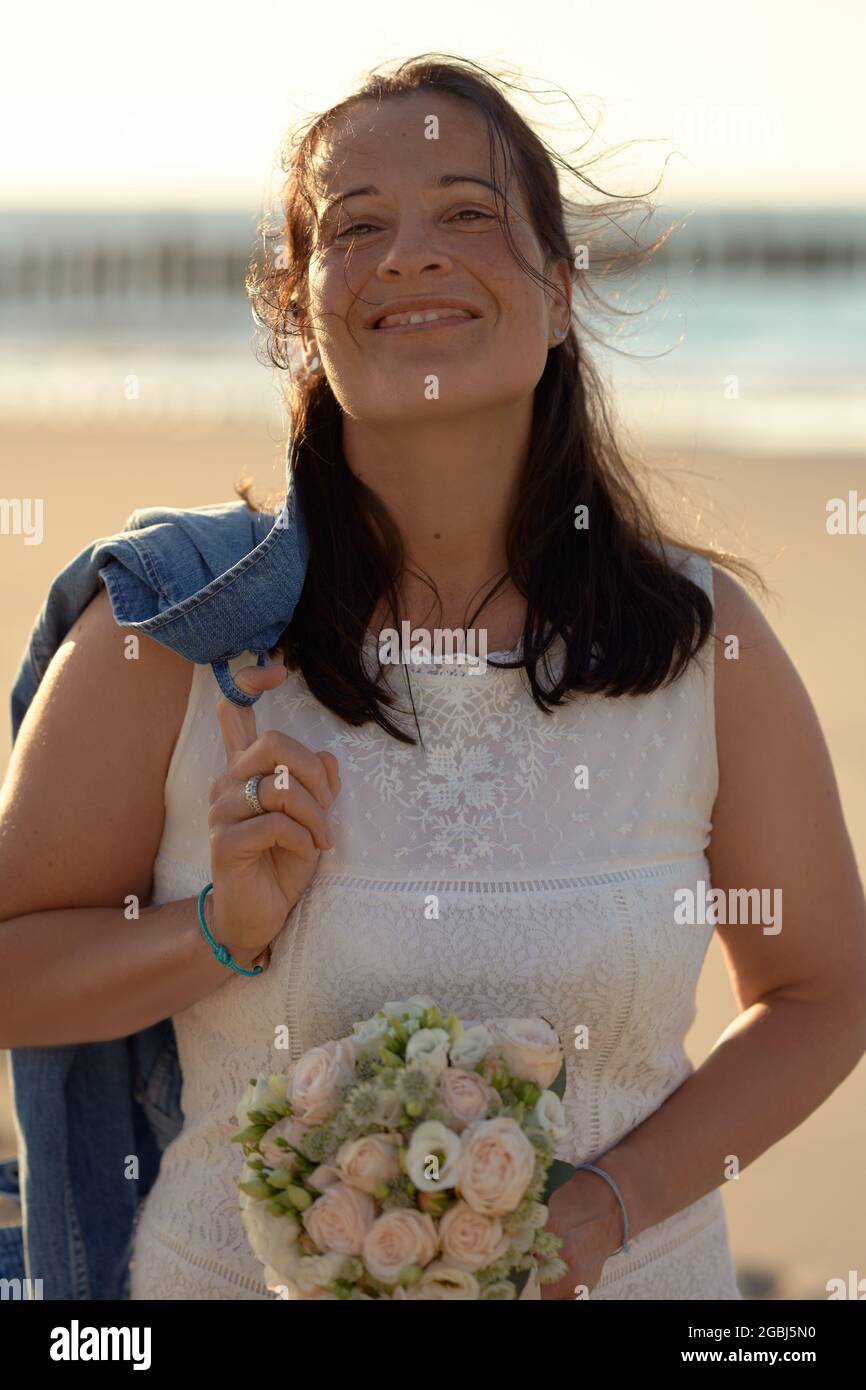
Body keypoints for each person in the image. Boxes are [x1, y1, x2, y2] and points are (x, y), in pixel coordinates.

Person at [2, 54, 865, 1301]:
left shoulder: (697, 641)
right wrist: (217, 933)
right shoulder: (173, 635)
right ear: (297, 312)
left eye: (466, 211)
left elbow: (822, 993)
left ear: (558, 293)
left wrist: (604, 1206)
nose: (409, 256)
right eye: (355, 228)